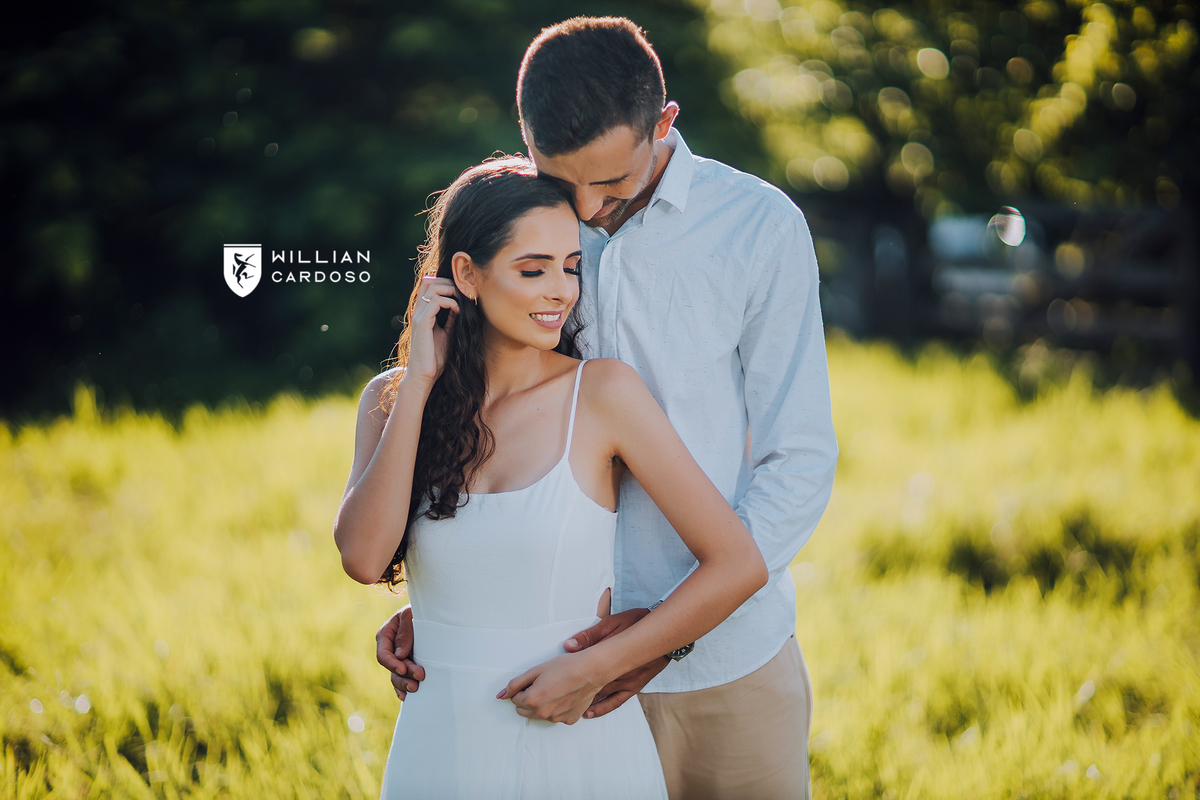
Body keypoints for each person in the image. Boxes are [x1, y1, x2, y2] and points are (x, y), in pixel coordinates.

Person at [376, 16, 839, 800]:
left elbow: (799, 462)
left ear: (664, 123)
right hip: (541, 675)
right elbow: (475, 411)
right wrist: (462, 598)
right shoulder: (526, 229)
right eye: (565, 183)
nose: (586, 211)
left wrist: (665, 637)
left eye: (612, 184)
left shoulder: (758, 228)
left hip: (723, 669)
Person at [334, 156, 769, 799]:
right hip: (439, 751)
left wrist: (600, 667)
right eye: (533, 270)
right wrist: (420, 380)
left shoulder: (602, 395)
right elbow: (365, 559)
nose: (561, 291)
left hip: (574, 745)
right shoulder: (394, 401)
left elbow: (737, 564)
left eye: (571, 266)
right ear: (466, 276)